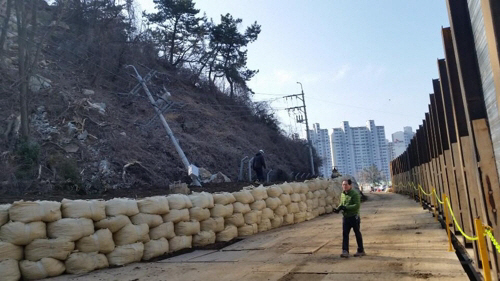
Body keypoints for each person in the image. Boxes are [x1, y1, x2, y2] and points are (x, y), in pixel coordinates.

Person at [334, 179, 365, 258]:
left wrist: (346, 207)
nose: (344, 186)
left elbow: (357, 205)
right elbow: (342, 203)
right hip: (346, 217)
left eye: (346, 185)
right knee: (345, 234)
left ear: (350, 185)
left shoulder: (355, 194)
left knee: (357, 233)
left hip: (354, 217)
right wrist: (338, 208)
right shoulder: (343, 194)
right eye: (343, 185)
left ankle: (361, 250)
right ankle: (345, 251)